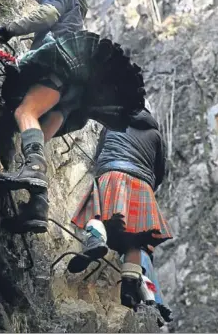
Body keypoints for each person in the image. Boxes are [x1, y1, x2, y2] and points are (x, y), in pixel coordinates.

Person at [0, 0, 146, 234]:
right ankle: (37, 206)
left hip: (61, 65)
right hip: (78, 92)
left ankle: (34, 177)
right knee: (39, 135)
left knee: (24, 113)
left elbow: (47, 16)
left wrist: (12, 28)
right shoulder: (73, 10)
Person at [68, 100, 173, 312]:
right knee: (136, 240)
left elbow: (99, 154)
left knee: (97, 214)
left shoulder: (112, 121)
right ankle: (129, 286)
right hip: (142, 183)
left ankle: (95, 241)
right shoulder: (156, 135)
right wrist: (149, 184)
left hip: (112, 174)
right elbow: (160, 171)